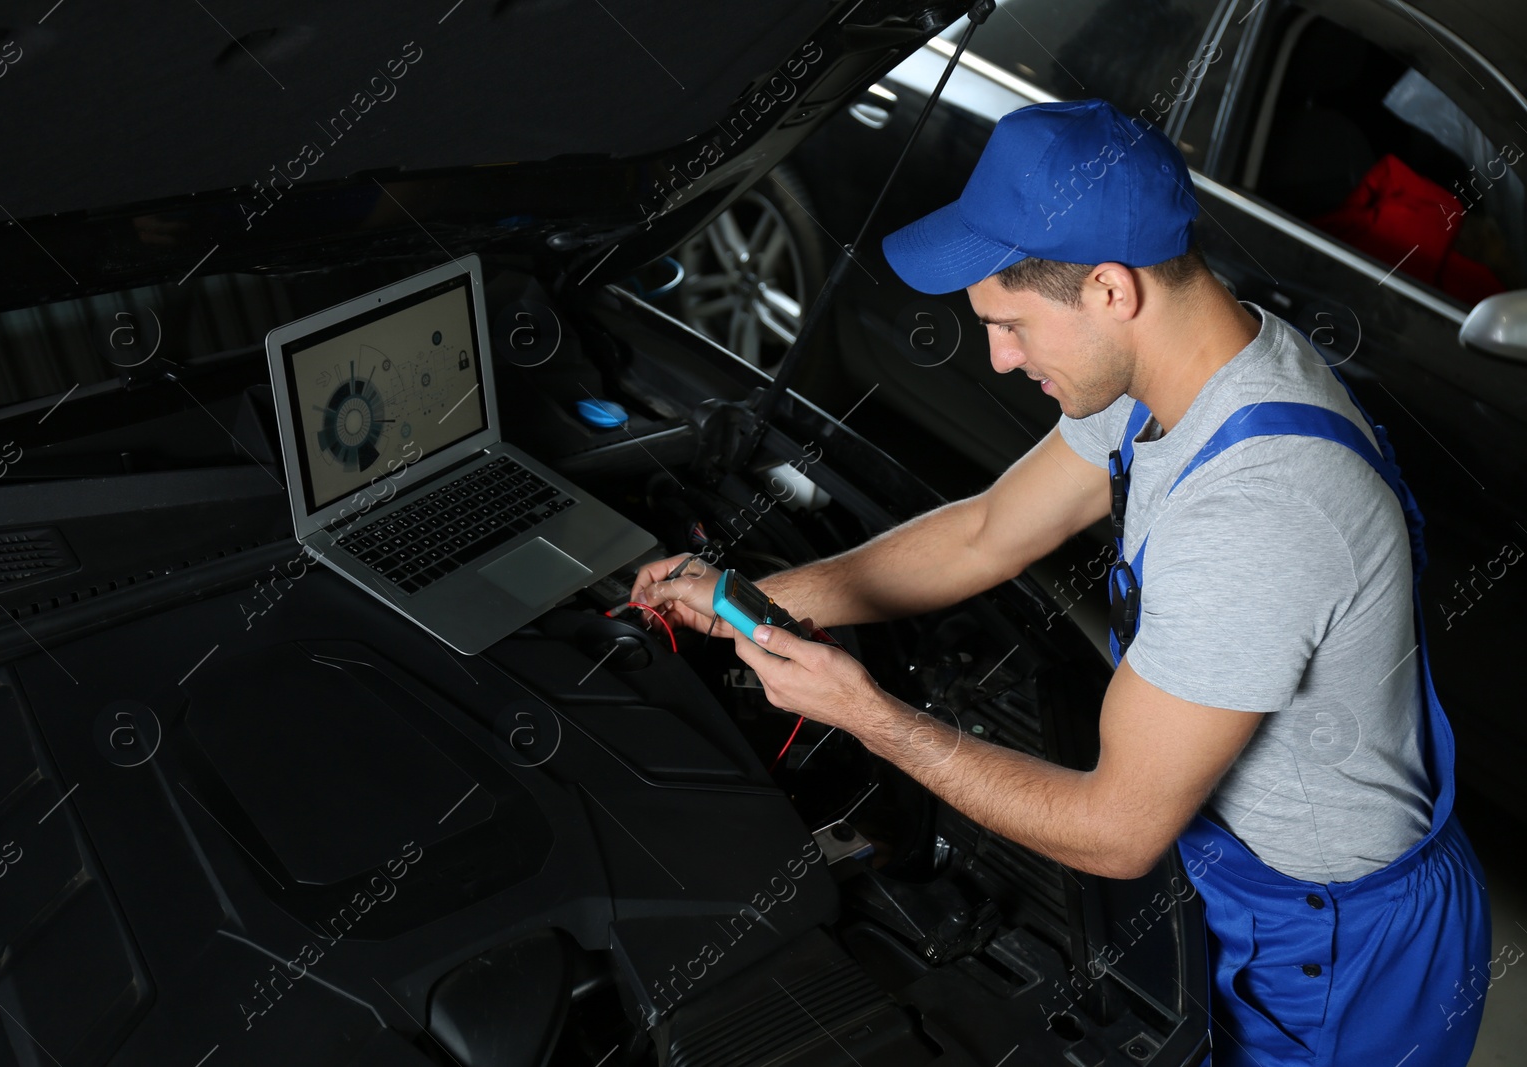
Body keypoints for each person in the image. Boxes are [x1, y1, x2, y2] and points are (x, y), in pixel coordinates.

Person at [631, 99, 1491, 1065]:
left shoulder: (1259, 509)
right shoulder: (1181, 371)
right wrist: (747, 597)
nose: (999, 358)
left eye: (1011, 325)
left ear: (1112, 291)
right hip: (1243, 887)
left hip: (1339, 957)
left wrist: (868, 713)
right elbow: (984, 533)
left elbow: (1117, 828)